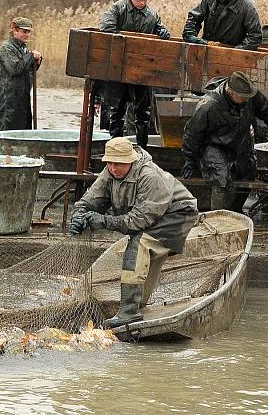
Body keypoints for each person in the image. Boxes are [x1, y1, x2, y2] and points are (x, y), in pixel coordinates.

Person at [70, 137, 199, 328]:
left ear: (130, 160)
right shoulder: (110, 173)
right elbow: (90, 200)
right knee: (148, 256)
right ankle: (139, 305)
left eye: (119, 164)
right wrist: (78, 216)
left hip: (178, 214)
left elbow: (139, 220)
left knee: (139, 244)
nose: (114, 168)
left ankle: (129, 311)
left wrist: (104, 221)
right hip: (151, 215)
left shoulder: (148, 176)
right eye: (110, 163)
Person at [182, 72, 268, 210]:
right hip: (214, 145)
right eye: (243, 98)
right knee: (221, 178)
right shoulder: (209, 105)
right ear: (232, 93)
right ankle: (219, 218)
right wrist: (189, 158)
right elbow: (193, 133)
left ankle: (235, 211)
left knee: (249, 172)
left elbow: (265, 110)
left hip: (240, 141)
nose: (247, 100)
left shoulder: (250, 93)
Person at [98, 0, 169, 149]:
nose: (142, 2)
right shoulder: (117, 8)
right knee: (116, 110)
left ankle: (142, 148)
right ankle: (115, 147)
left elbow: (158, 26)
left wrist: (161, 30)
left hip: (141, 70)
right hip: (119, 69)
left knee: (143, 112)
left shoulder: (151, 15)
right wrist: (124, 42)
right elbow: (106, 27)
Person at [182, 0, 261, 50]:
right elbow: (193, 19)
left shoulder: (246, 6)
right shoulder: (209, 0)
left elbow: (255, 36)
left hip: (231, 56)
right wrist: (194, 39)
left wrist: (235, 52)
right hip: (206, 51)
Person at [0, 17, 42, 131]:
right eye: (24, 31)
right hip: (8, 96)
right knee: (8, 129)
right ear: (14, 31)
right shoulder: (6, 48)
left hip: (22, 95)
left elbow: (28, 71)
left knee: (24, 128)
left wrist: (37, 61)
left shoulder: (24, 48)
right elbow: (15, 68)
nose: (27, 35)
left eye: (28, 32)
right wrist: (31, 56)